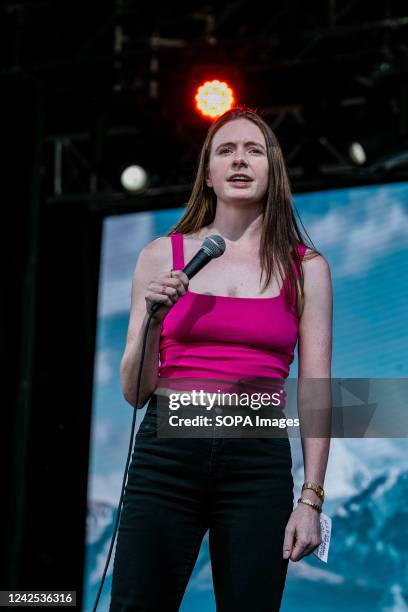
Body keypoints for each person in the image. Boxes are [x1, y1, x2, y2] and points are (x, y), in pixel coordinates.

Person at [110, 106, 333, 611]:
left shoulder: (307, 268)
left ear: (273, 171)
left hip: (257, 458)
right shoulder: (160, 256)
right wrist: (152, 318)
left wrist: (311, 499)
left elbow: (317, 389)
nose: (239, 161)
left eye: (254, 150)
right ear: (207, 174)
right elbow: (133, 392)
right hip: (167, 451)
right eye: (225, 151)